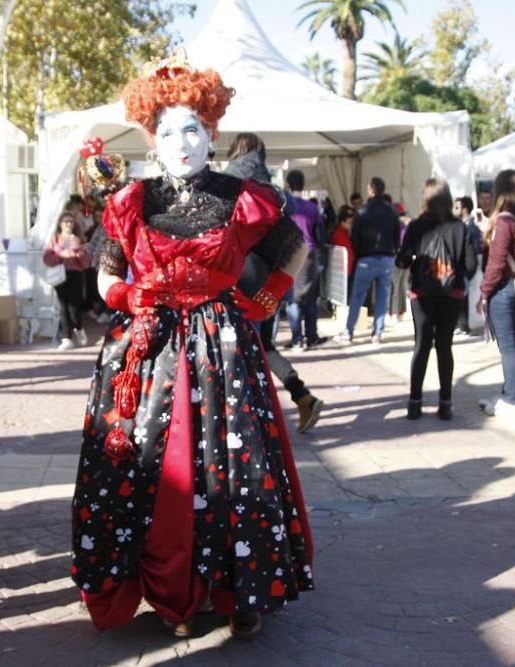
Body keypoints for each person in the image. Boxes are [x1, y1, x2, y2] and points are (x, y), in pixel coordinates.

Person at [70, 57, 314, 640]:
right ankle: (169, 594)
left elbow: (294, 245)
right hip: (148, 350)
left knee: (230, 470)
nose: (182, 143)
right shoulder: (129, 200)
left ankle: (237, 591)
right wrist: (134, 296)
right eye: (168, 131)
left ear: (212, 135)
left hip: (223, 353)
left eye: (193, 130)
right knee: (156, 467)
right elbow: (105, 278)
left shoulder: (243, 196)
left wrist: (265, 300)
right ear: (151, 138)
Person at [225, 133, 324, 434]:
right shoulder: (279, 193)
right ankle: (301, 395)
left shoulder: (224, 185)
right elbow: (299, 244)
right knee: (262, 345)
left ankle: (251, 420)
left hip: (237, 278)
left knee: (238, 352)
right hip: (271, 280)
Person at [395, 179, 477, 421]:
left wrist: (414, 259)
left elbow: (401, 261)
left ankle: (415, 403)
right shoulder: (460, 227)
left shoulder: (417, 226)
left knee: (421, 346)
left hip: (422, 293)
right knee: (445, 346)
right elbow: (471, 265)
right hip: (452, 294)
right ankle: (445, 403)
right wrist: (454, 276)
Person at [477, 170, 515, 420]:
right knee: (512, 344)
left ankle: (510, 400)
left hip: (501, 289)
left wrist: (484, 293)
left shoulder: (503, 221)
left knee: (508, 347)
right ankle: (508, 394)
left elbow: (496, 261)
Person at [335, 177, 401, 344]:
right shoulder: (391, 211)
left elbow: (355, 237)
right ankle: (377, 333)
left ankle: (349, 331)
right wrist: (393, 250)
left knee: (357, 296)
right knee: (382, 297)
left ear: (371, 190)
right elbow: (397, 236)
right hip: (386, 258)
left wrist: (359, 253)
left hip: (366, 258)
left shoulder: (362, 212)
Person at [283, 170, 326, 351]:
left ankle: (296, 339)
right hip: (309, 254)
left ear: (288, 184)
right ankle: (312, 336)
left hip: (290, 254)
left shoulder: (285, 206)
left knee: (292, 299)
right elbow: (320, 234)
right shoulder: (312, 208)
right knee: (311, 298)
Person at [44, 212, 90, 350]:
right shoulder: (55, 239)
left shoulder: (79, 239)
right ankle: (66, 337)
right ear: (60, 224)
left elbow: (87, 262)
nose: (68, 224)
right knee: (63, 305)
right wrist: (61, 256)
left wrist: (79, 255)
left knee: (74, 306)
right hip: (60, 274)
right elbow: (47, 258)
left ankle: (78, 327)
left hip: (75, 273)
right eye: (65, 221)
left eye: (70, 221)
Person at [453, 196, 483, 336]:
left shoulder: (470, 226)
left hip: (470, 265)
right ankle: (463, 324)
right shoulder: (465, 225)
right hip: (468, 265)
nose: (455, 210)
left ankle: (465, 325)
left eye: (457, 207)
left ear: (464, 209)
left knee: (466, 294)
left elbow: (475, 249)